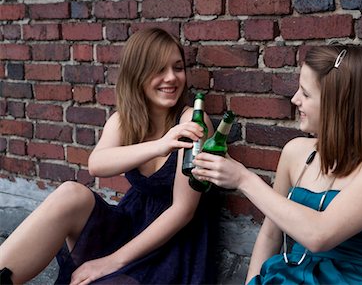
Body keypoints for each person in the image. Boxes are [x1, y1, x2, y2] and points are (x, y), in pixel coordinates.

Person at [0, 27, 216, 285]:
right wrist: (160, 145)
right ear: (137, 74)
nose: (171, 78)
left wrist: (111, 261)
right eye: (158, 69)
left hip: (170, 244)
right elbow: (97, 165)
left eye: (177, 68)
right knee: (71, 193)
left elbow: (183, 211)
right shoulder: (125, 120)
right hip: (129, 224)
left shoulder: (194, 121)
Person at [192, 45, 362, 284]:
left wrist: (244, 179)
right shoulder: (296, 152)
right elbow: (270, 234)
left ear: (339, 104)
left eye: (306, 94)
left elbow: (319, 235)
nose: (295, 100)